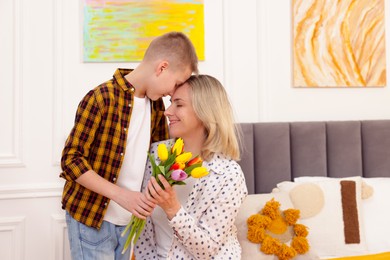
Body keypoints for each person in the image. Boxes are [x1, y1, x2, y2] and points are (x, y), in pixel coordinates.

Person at [60, 31, 198, 260]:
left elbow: (160, 161)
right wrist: (122, 196)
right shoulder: (102, 97)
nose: (172, 92)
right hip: (91, 220)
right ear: (162, 67)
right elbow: (70, 160)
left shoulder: (156, 107)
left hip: (129, 223)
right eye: (175, 84)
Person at [134, 75, 248, 259]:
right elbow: (144, 235)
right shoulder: (156, 154)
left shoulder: (228, 175)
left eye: (179, 104)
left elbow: (206, 249)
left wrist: (172, 208)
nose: (167, 111)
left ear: (205, 111)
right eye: (171, 103)